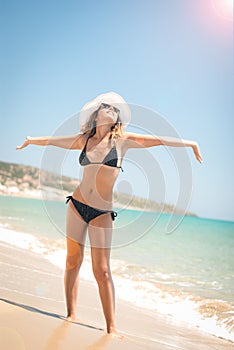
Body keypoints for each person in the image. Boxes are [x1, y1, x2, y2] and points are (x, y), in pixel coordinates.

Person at [16, 92, 202, 335]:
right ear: (97, 113)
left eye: (116, 109)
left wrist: (190, 143)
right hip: (77, 206)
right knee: (73, 261)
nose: (112, 110)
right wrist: (31, 140)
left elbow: (158, 140)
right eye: (108, 107)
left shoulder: (123, 141)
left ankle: (111, 328)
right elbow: (54, 141)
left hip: (102, 212)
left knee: (101, 270)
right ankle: (71, 314)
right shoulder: (83, 139)